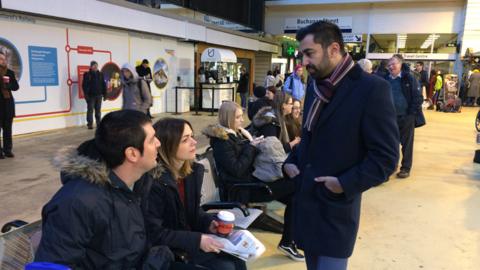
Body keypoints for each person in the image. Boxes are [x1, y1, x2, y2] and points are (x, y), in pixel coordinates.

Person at [284, 21, 399, 270]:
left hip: (336, 210)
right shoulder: (316, 86)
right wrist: (291, 162)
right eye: (302, 54)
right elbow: (309, 137)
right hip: (308, 206)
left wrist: (343, 184)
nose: (304, 62)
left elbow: (386, 158)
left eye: (309, 53)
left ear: (334, 49)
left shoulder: (372, 89)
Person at [34, 110, 174, 269]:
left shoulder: (140, 183)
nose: (158, 143)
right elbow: (51, 265)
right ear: (132, 154)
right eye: (151, 140)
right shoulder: (77, 202)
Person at [137, 118, 247, 270]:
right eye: (185, 139)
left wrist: (209, 224)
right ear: (168, 145)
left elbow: (193, 212)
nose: (194, 142)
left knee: (239, 257)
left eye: (192, 136)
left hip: (190, 240)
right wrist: (197, 240)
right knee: (226, 266)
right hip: (170, 250)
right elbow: (154, 233)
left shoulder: (191, 174)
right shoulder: (154, 183)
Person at [203, 101, 304, 262]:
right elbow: (236, 169)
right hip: (243, 189)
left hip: (250, 182)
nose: (242, 120)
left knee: (296, 193)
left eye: (241, 116)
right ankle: (289, 241)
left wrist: (253, 145)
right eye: (237, 117)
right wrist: (252, 147)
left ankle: (290, 239)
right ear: (228, 119)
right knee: (296, 188)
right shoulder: (222, 141)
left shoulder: (237, 134)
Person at [385, 54, 422, 179]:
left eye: (393, 64)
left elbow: (418, 97)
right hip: (389, 119)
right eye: (389, 64)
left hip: (406, 117)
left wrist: (411, 114)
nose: (391, 66)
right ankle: (390, 168)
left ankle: (405, 168)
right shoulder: (385, 80)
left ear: (401, 64)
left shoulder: (409, 78)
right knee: (391, 144)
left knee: (407, 145)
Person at [0, 52, 19, 159]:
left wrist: (8, 85)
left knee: (8, 129)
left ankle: (8, 150)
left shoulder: (10, 72)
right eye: (0, 59)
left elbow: (16, 87)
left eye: (3, 59)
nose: (3, 60)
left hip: (8, 105)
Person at [82, 60, 106, 129]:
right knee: (90, 110)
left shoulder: (100, 74)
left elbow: (103, 84)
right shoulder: (87, 74)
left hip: (99, 96)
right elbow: (84, 85)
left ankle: (98, 124)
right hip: (91, 96)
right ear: (91, 66)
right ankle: (90, 124)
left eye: (96, 65)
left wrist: (105, 94)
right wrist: (86, 96)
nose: (95, 66)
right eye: (94, 65)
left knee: (98, 110)